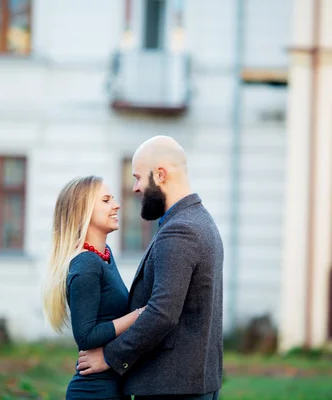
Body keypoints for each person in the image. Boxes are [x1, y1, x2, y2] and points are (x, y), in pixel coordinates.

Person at [77, 136, 224, 400]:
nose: (135, 188)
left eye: (137, 178)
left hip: (171, 387)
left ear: (160, 174)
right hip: (190, 384)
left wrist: (110, 357)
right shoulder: (200, 220)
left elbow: (162, 313)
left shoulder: (180, 230)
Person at [42, 175, 144, 400]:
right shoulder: (86, 263)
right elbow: (85, 336)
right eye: (106, 200)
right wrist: (139, 315)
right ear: (83, 211)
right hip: (94, 391)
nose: (116, 205)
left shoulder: (105, 255)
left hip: (113, 385)